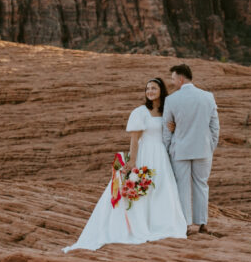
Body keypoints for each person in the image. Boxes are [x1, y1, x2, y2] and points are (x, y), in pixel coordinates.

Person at [63, 78, 187, 252]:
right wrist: (133, 161)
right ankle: (138, 226)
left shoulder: (166, 112)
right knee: (142, 189)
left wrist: (173, 129)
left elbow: (169, 135)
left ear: (161, 91)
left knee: (161, 189)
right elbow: (134, 139)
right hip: (145, 154)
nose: (150, 91)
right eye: (147, 88)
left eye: (154, 88)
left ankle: (161, 224)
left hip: (161, 155)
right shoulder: (140, 112)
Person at [162, 63, 219, 234]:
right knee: (201, 184)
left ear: (180, 79)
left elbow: (167, 128)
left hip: (180, 150)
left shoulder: (171, 100)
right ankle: (202, 223)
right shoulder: (208, 97)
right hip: (203, 148)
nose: (172, 82)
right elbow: (215, 126)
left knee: (183, 186)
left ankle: (185, 224)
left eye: (173, 79)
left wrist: (167, 148)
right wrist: (210, 146)